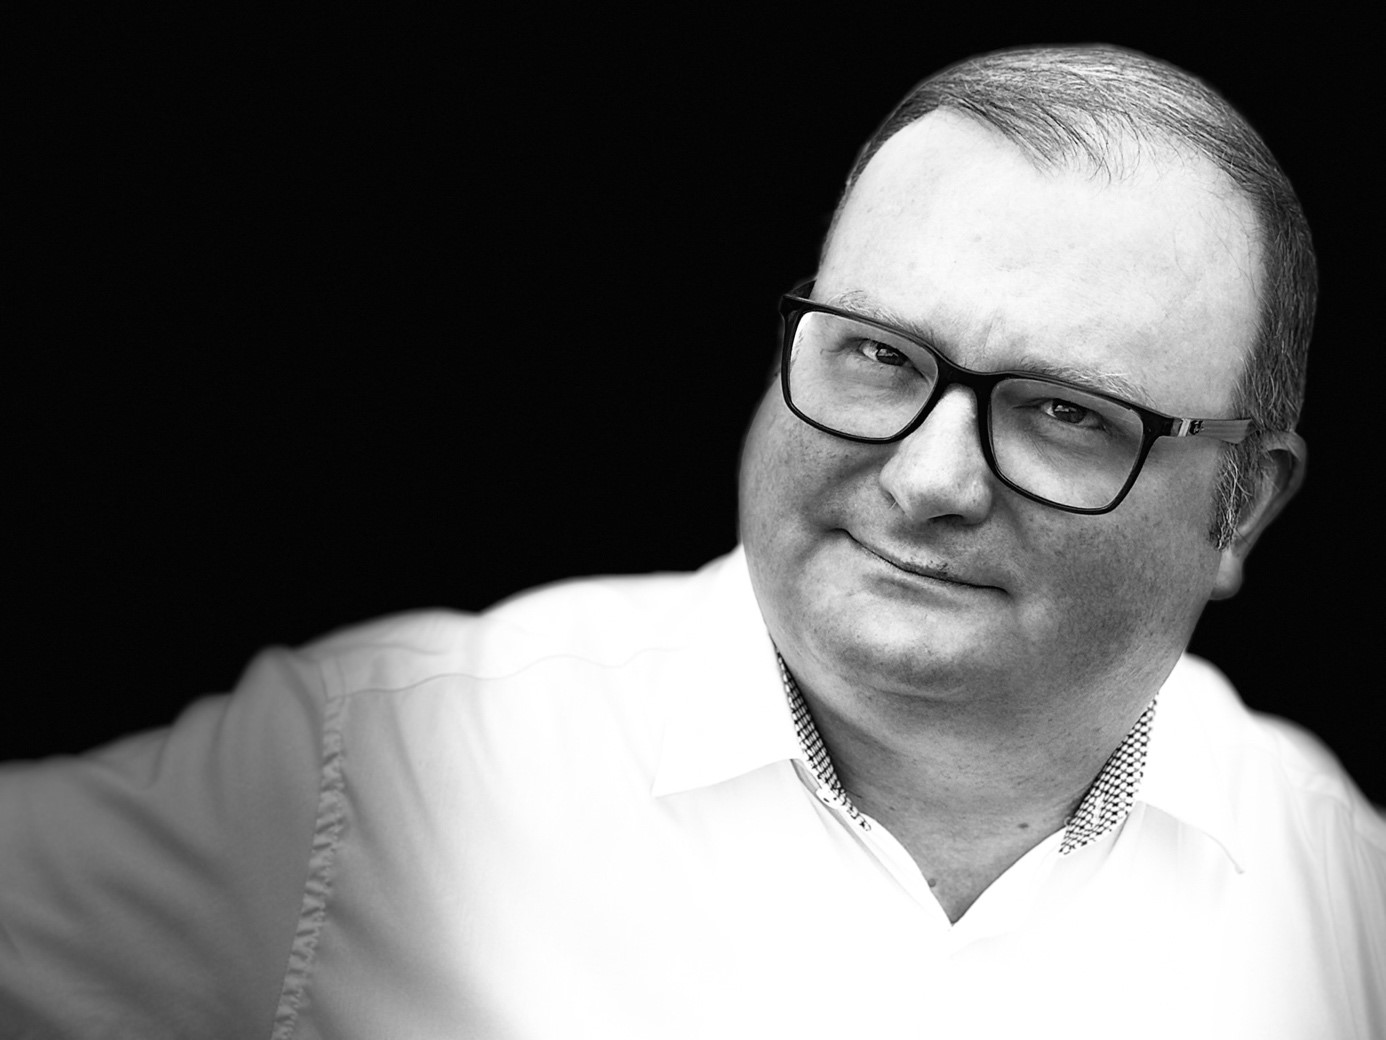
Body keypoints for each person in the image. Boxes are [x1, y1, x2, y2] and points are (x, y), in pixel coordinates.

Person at [2, 42, 1382, 1040]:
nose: (928, 478)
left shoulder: (1346, 909)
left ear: (1243, 504)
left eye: (1064, 414)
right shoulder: (375, 773)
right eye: (876, 354)